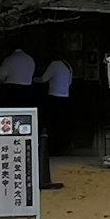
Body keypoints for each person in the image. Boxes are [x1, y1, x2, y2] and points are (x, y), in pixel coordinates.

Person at [38, 55, 76, 189]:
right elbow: (70, 82)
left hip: (53, 96)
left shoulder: (54, 64)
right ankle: (62, 147)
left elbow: (44, 78)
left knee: (51, 124)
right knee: (62, 124)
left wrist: (34, 79)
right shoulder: (68, 65)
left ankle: (52, 149)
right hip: (65, 96)